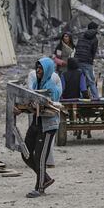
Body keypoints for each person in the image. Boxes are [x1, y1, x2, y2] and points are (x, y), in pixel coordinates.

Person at [22, 58, 61, 198]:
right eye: (37, 67)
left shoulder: (52, 87)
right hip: (36, 122)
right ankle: (45, 177)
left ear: (47, 70)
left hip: (48, 126)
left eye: (41, 68)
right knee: (25, 153)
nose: (38, 70)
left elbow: (51, 104)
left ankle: (40, 188)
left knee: (40, 157)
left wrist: (38, 104)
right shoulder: (35, 83)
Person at [75, 22, 100, 99]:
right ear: (95, 29)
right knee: (91, 81)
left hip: (77, 60)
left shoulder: (81, 36)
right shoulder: (95, 39)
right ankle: (96, 98)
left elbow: (77, 48)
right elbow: (93, 52)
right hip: (87, 62)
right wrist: (91, 61)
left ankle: (81, 97)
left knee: (81, 80)